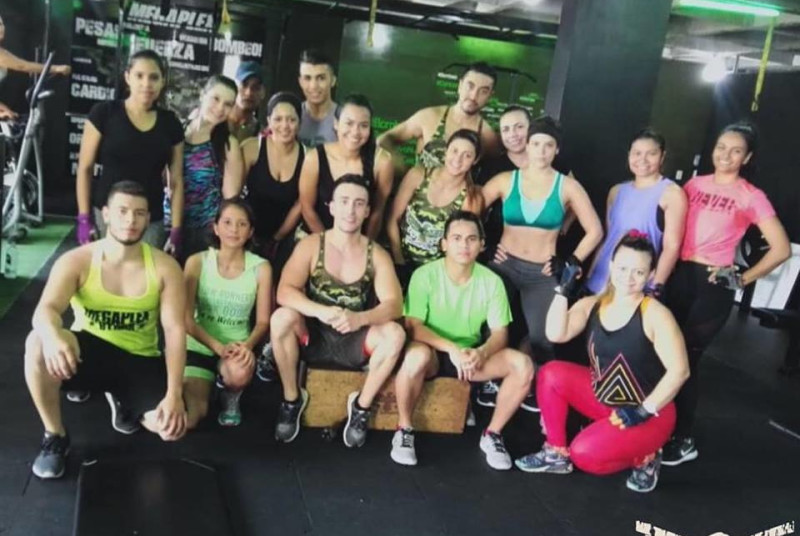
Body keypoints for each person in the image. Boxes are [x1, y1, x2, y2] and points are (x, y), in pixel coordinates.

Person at [23, 181, 188, 480]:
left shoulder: (166, 267)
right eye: (122, 211)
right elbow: (45, 310)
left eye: (139, 213)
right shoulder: (77, 261)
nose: (130, 220)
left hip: (139, 359)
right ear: (106, 214)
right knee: (37, 343)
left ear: (148, 218)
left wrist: (174, 393)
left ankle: (124, 401)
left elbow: (175, 330)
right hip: (88, 354)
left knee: (169, 429)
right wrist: (52, 336)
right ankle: (55, 435)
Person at [515, 232, 690, 493]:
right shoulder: (594, 304)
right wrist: (562, 291)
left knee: (584, 455)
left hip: (650, 414)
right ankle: (555, 452)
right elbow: (555, 334)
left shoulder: (656, 315)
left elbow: (680, 371)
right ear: (611, 265)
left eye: (638, 272)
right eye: (623, 268)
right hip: (605, 400)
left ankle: (647, 457)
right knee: (550, 374)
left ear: (651, 274)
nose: (628, 277)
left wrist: (643, 411)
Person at [662, 122, 790, 466]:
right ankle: (661, 426)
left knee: (685, 360)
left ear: (746, 158)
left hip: (713, 283)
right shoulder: (694, 185)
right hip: (679, 275)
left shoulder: (751, 195)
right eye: (721, 147)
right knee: (663, 354)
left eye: (736, 151)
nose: (726, 155)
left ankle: (683, 438)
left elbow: (780, 248)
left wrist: (742, 279)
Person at [270, 175, 406, 447]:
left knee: (395, 334)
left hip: (354, 339)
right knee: (281, 317)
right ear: (331, 207)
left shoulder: (376, 254)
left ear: (367, 211)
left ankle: (361, 407)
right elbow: (284, 291)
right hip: (313, 335)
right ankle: (291, 399)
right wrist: (318, 310)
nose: (350, 210)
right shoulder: (311, 245)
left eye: (358, 204)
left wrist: (360, 318)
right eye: (344, 202)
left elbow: (394, 305)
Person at [394, 211, 533, 469]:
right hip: (433, 351)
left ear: (482, 245)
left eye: (471, 239)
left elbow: (500, 334)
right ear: (444, 244)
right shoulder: (424, 275)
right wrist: (452, 349)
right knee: (416, 356)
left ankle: (492, 434)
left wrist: (481, 352)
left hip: (469, 358)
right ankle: (404, 429)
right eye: (456, 238)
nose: (464, 245)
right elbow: (413, 327)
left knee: (522, 364)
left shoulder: (492, 282)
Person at [481, 116, 603, 368]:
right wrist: (485, 245)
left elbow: (595, 231)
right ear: (527, 145)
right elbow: (470, 212)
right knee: (489, 329)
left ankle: (538, 384)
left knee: (543, 338)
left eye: (548, 145)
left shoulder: (568, 186)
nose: (541, 151)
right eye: (536, 144)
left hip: (542, 272)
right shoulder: (506, 179)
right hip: (503, 266)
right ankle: (488, 380)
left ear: (557, 149)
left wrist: (571, 261)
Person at [75, 49, 184, 255]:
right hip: (108, 215)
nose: (146, 83)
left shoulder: (171, 123)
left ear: (162, 81)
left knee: (145, 273)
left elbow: (176, 181)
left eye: (154, 77)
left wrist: (176, 229)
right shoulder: (103, 113)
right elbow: (85, 169)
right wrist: (83, 217)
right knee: (104, 271)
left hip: (150, 219)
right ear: (127, 77)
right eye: (139, 75)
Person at [183, 199, 271, 427]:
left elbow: (263, 321)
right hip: (200, 345)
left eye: (242, 224)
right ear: (216, 227)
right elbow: (186, 320)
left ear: (250, 232)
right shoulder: (197, 262)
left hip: (236, 347)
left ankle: (230, 394)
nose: (234, 230)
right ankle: (210, 386)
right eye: (228, 222)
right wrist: (217, 347)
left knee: (238, 372)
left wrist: (247, 346)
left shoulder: (261, 268)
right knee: (190, 418)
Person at [585, 128, 687, 297]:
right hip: (601, 279)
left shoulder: (672, 193)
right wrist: (589, 277)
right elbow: (608, 240)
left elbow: (672, 247)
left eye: (651, 154)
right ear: (629, 155)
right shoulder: (616, 191)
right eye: (637, 153)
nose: (643, 160)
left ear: (662, 156)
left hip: (636, 285)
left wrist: (654, 288)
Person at [386, 129, 483, 287]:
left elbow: (462, 246)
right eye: (454, 151)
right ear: (446, 150)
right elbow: (392, 220)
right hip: (400, 263)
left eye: (467, 155)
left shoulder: (470, 198)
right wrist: (399, 263)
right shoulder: (418, 175)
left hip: (438, 275)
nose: (458, 159)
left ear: (475, 160)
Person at [164, 75, 243, 262]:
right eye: (216, 99)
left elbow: (230, 200)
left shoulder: (227, 144)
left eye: (228, 104)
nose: (220, 108)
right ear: (202, 95)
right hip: (168, 223)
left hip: (203, 231)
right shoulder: (178, 130)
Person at [298, 94, 393, 240]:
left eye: (363, 125)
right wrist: (328, 244)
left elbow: (377, 213)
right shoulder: (314, 158)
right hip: (317, 237)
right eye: (349, 123)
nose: (355, 132)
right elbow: (307, 208)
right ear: (336, 124)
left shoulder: (382, 162)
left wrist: (364, 248)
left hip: (359, 242)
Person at [377, 62, 500, 171]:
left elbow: (492, 173)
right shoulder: (429, 116)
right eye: (470, 86)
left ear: (490, 96)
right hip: (418, 188)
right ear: (460, 85)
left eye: (483, 91)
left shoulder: (488, 136)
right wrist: (399, 165)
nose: (473, 96)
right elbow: (384, 139)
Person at [241, 91, 305, 275]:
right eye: (278, 119)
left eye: (291, 120)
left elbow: (301, 204)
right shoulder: (252, 147)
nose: (284, 126)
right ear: (269, 120)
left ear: (299, 123)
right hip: (248, 230)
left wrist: (277, 238)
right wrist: (245, 233)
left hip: (285, 234)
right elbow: (234, 195)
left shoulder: (308, 156)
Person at [474, 105, 531, 261]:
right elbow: (475, 210)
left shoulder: (550, 162)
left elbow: (573, 199)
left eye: (519, 127)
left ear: (531, 128)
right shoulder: (491, 168)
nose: (512, 134)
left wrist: (562, 229)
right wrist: (485, 246)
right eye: (506, 129)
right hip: (500, 253)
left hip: (539, 253)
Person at [0, 13, 71, 119]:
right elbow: (22, 66)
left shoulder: (3, 52)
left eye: (1, 24)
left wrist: (5, 110)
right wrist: (55, 68)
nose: (1, 28)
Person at [297, 49, 338, 147]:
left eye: (321, 78)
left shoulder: (344, 119)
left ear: (333, 80)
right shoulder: (290, 117)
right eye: (307, 78)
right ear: (300, 82)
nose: (314, 86)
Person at [228, 61, 265, 143]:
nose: (249, 93)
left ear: (262, 93)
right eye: (244, 85)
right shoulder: (217, 121)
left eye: (255, 87)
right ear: (234, 87)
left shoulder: (262, 136)